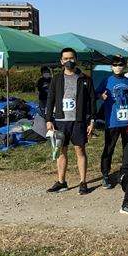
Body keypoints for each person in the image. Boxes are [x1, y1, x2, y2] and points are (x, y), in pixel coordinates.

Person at [45, 48, 95, 195]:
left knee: (80, 150)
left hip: (78, 121)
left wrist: (92, 121)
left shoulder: (85, 79)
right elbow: (50, 99)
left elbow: (92, 101)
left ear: (76, 59)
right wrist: (48, 119)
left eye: (71, 58)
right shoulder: (57, 79)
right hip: (61, 120)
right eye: (65, 59)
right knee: (61, 151)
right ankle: (61, 182)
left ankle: (83, 182)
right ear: (61, 61)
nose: (69, 61)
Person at [96, 55, 128, 189]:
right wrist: (101, 96)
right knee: (109, 148)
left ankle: (125, 172)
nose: (118, 67)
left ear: (124, 66)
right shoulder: (107, 80)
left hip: (127, 122)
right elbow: (96, 93)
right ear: (111, 67)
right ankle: (105, 174)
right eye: (115, 65)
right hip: (112, 121)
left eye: (120, 65)